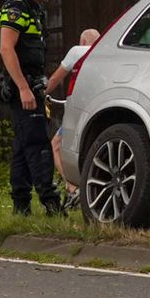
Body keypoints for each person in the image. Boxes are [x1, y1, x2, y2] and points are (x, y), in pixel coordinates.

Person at [0, 0, 63, 216]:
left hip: (33, 84)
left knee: (23, 147)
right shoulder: (16, 7)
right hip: (20, 85)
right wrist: (23, 87)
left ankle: (21, 206)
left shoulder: (37, 10)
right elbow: (6, 49)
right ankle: (51, 203)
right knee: (38, 144)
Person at [46, 27, 100, 208]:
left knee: (56, 145)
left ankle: (73, 189)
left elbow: (56, 78)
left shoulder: (77, 51)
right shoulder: (104, 54)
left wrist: (41, 92)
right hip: (99, 111)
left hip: (79, 110)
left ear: (83, 42)